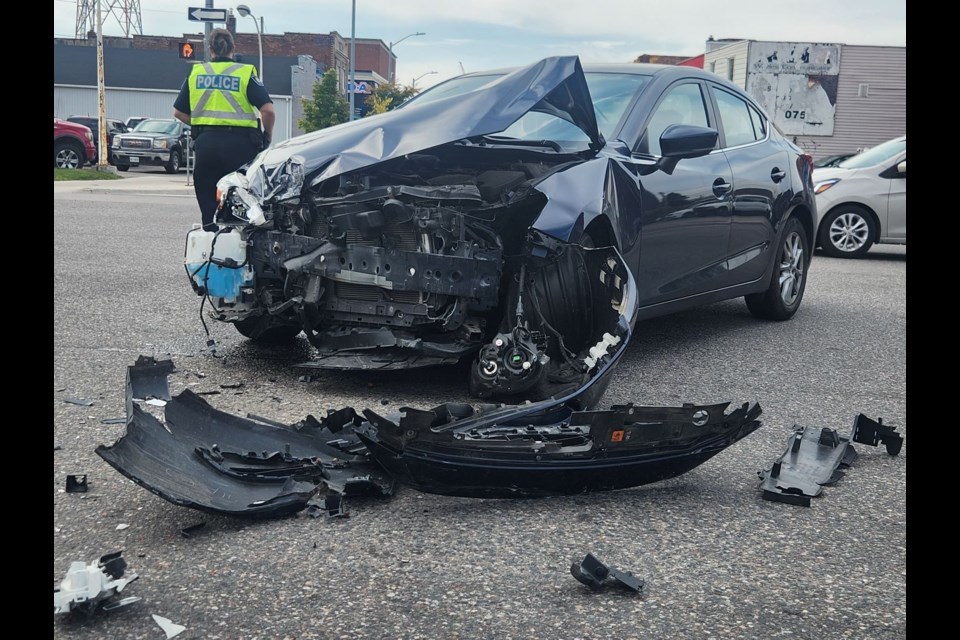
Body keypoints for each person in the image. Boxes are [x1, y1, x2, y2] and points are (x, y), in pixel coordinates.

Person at [173, 28, 275, 230]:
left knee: (208, 206)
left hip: (206, 146)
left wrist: (204, 123)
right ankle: (239, 248)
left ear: (210, 49)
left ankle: (210, 242)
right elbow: (268, 111)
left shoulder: (197, 73)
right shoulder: (244, 73)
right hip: (241, 147)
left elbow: (178, 112)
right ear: (233, 48)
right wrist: (267, 136)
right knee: (241, 205)